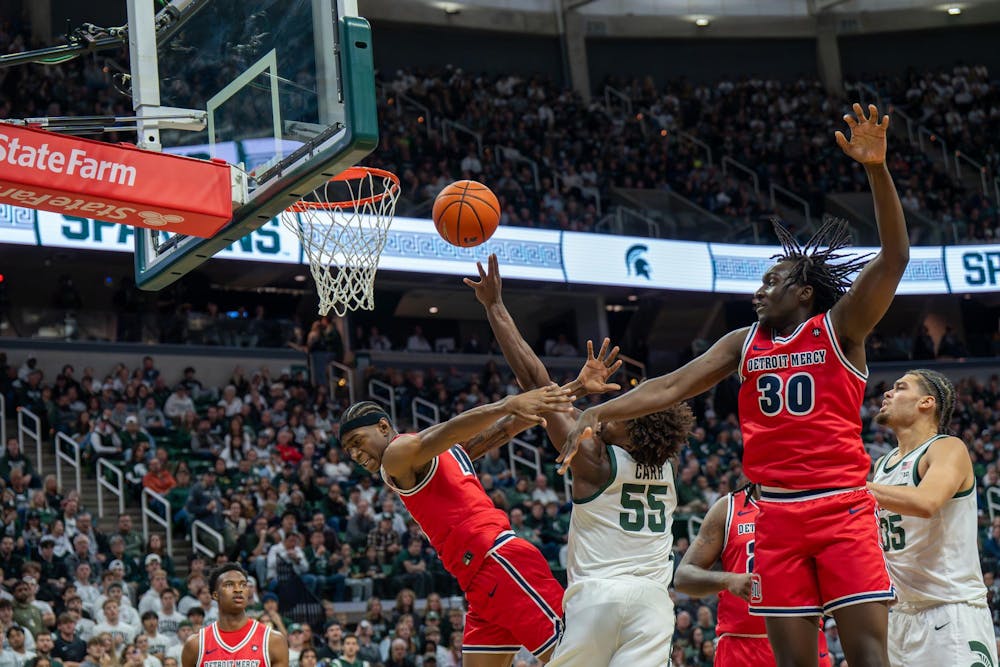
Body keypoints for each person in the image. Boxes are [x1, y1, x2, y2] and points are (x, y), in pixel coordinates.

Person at [564, 103, 908, 667]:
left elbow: (895, 257)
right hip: (774, 516)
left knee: (870, 658)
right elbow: (672, 385)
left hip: (842, 507)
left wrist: (876, 168)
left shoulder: (841, 328)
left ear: (803, 293)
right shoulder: (742, 342)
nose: (760, 290)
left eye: (772, 281)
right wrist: (597, 413)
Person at [465, 253, 694, 667]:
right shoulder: (666, 468)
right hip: (654, 607)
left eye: (623, 409)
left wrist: (495, 306)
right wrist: (578, 390)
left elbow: (536, 382)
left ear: (637, 426)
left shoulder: (594, 458)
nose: (611, 410)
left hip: (600, 597)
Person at [338, 384, 574, 665]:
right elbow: (507, 428)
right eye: (348, 449)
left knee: (571, 657)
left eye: (356, 441)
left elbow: (453, 429)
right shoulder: (445, 452)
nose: (353, 454)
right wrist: (579, 387)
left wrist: (506, 404)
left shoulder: (395, 455)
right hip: (477, 581)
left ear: (382, 426)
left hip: (496, 559)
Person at [868, 370, 998, 667]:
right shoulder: (882, 465)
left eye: (900, 387)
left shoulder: (947, 448)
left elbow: (927, 502)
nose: (888, 393)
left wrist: (856, 488)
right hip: (900, 616)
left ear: (926, 402)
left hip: (951, 612)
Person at [675, 483, 832, 666]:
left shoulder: (812, 502)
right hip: (741, 646)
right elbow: (683, 577)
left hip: (804, 640)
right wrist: (728, 580)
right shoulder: (728, 508)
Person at [181, 564, 288, 667]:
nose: (238, 589)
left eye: (243, 584)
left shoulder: (273, 640)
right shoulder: (195, 644)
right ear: (215, 595)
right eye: (229, 585)